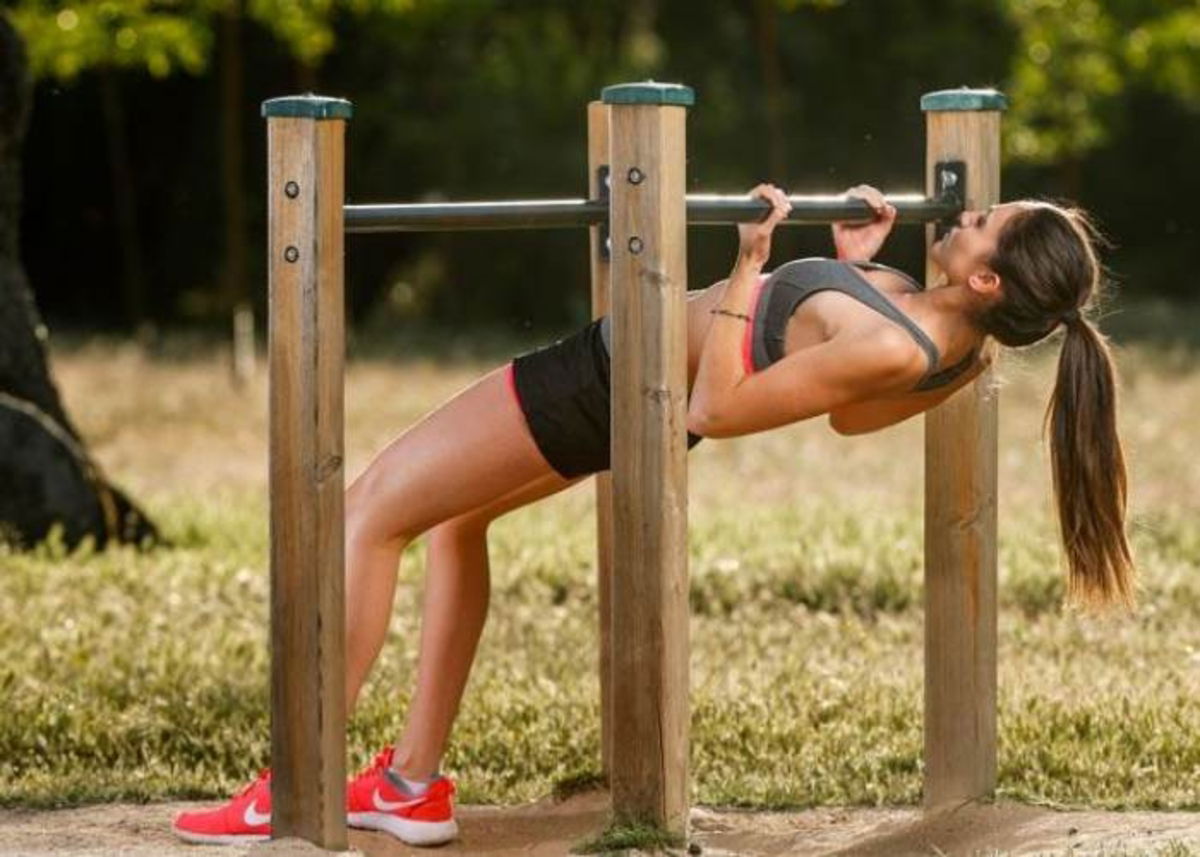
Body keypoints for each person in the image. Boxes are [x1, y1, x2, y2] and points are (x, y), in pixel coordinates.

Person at [172, 183, 1135, 846]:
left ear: (988, 280)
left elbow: (717, 405)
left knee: (368, 510)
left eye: (983, 222)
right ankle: (410, 785)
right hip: (621, 386)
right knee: (455, 524)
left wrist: (750, 263)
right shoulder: (945, 338)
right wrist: (853, 268)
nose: (964, 213)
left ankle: (293, 790)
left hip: (601, 383)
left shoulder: (904, 345)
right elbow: (847, 409)